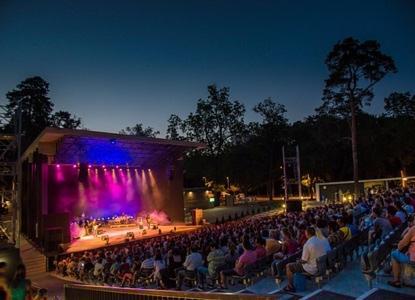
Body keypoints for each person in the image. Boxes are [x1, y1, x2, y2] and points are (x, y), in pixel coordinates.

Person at [284, 227, 331, 292]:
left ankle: (290, 286)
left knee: (288, 266)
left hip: (312, 268)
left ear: (307, 234)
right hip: (321, 266)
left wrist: (298, 261)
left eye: (305, 233)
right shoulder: (320, 240)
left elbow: (304, 261)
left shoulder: (308, 244)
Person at [387, 215, 415, 288]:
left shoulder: (413, 229)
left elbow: (401, 244)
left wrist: (399, 248)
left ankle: (396, 281)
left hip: (413, 259)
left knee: (394, 254)